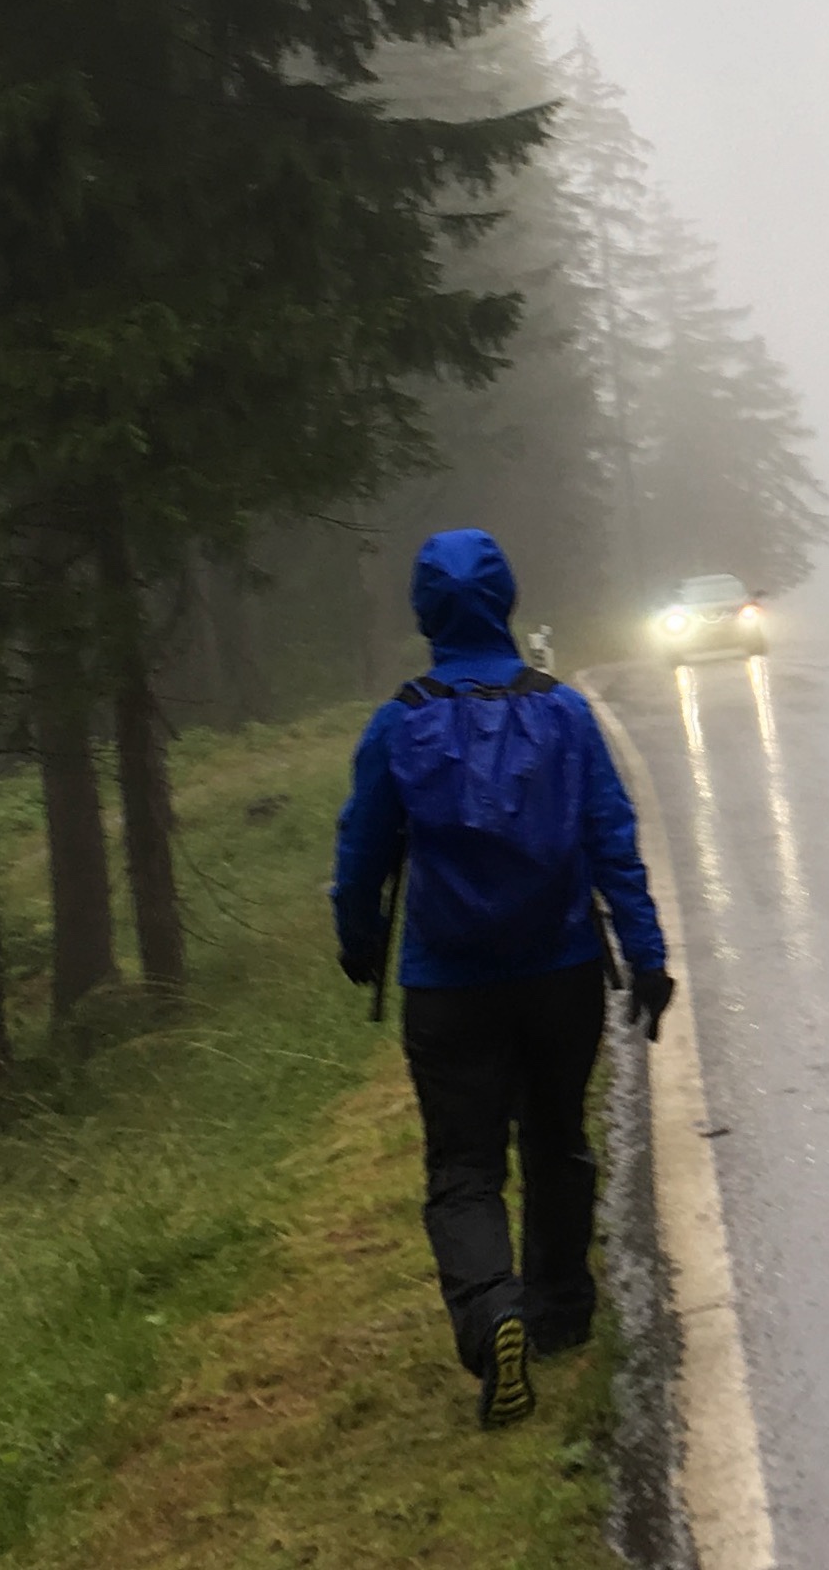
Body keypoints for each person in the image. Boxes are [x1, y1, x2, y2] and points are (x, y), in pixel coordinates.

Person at [331, 528, 674, 1429]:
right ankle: (558, 1312)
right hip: (560, 972)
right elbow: (611, 837)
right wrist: (645, 953)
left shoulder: (399, 722)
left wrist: (357, 939)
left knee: (464, 1166)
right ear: (508, 602)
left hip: (448, 986)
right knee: (556, 1141)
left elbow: (360, 851)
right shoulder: (562, 713)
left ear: (423, 613)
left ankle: (493, 1315)